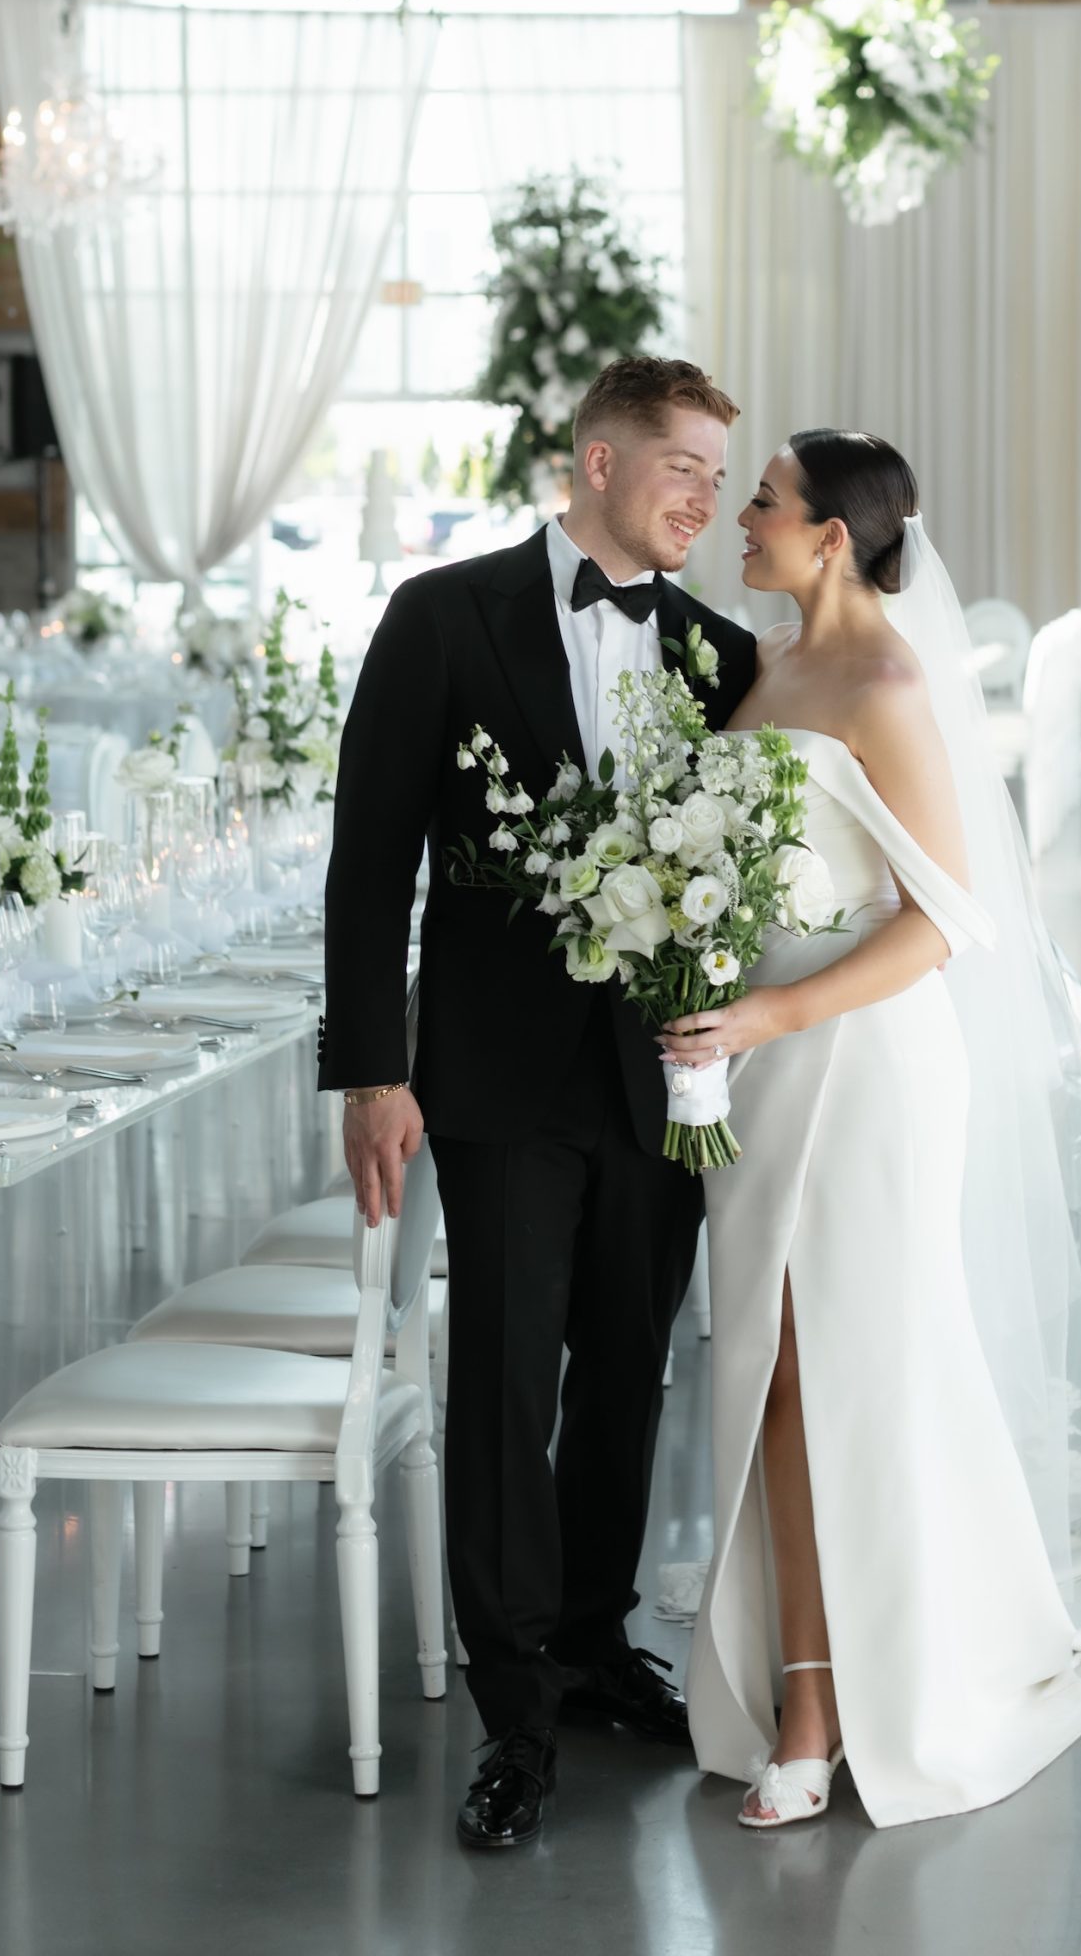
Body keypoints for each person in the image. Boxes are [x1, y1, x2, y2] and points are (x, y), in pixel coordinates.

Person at [320, 356, 758, 1853]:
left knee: (629, 1369)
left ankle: (589, 1640)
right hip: (497, 1080)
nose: (703, 494)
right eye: (681, 465)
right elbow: (370, 858)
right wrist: (374, 1069)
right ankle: (512, 1713)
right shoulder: (444, 616)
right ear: (594, 462)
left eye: (719, 470)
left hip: (661, 1076)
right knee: (505, 1382)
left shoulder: (714, 650)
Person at [665, 431, 1081, 1830]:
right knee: (774, 1374)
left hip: (860, 1058)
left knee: (855, 1363)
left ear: (835, 538)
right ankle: (814, 1677)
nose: (741, 518)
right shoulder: (760, 663)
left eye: (765, 503)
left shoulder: (888, 680)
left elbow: (945, 917)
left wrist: (775, 1021)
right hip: (758, 1055)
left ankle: (838, 1701)